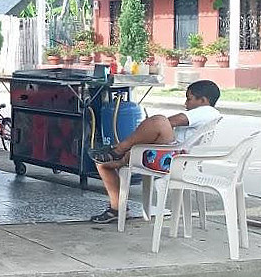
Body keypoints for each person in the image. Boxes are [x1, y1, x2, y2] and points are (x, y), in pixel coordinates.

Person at [87, 80, 222, 224]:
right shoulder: (210, 115)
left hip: (172, 161)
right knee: (103, 163)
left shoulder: (207, 111)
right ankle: (117, 207)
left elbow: (171, 121)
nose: (185, 103)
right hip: (174, 159)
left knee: (159, 121)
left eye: (189, 99)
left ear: (203, 100)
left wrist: (148, 125)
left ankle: (119, 150)